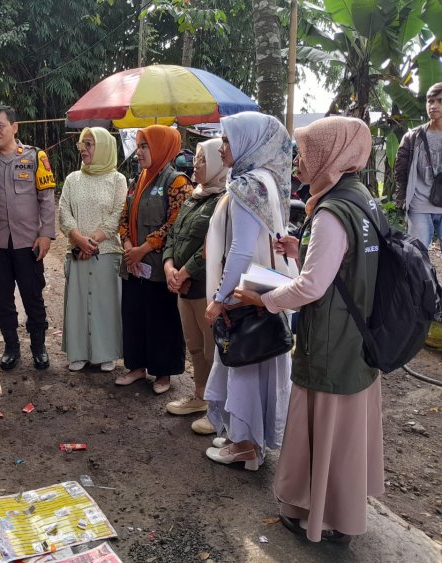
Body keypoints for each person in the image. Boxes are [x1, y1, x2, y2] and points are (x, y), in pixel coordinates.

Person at [235, 116, 383, 543]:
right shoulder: (361, 199)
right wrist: (302, 250)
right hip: (357, 341)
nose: (298, 161)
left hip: (332, 344)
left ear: (329, 154)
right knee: (345, 437)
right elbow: (346, 266)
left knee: (324, 429)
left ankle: (318, 516)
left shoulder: (332, 211)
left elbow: (312, 286)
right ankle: (338, 512)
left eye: (305, 151)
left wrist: (263, 298)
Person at [202, 112, 298, 471]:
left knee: (242, 361)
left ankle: (244, 444)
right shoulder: (263, 179)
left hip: (244, 292)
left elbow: (241, 248)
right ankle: (247, 438)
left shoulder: (245, 186)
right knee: (256, 362)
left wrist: (219, 298)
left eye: (227, 141)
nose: (222, 148)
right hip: (262, 286)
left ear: (247, 143)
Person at [0, 106, 56, 370]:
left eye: (0, 126)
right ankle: (11, 348)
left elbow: (47, 199)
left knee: (33, 296)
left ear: (14, 127)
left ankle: (39, 348)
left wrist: (46, 234)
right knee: (2, 298)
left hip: (28, 242)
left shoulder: (35, 157)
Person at [116, 125, 192, 394]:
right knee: (134, 315)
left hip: (159, 267)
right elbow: (123, 218)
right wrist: (128, 247)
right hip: (133, 265)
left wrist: (143, 249)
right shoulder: (138, 180)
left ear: (161, 147)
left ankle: (163, 373)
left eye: (145, 146)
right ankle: (136, 367)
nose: (139, 153)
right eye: (138, 146)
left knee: (161, 318)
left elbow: (176, 223)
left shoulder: (177, 182)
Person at [163, 138, 227, 432]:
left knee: (213, 347)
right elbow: (174, 234)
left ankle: (218, 409)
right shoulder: (195, 195)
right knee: (194, 346)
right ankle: (200, 395)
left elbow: (213, 245)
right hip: (183, 285)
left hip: (204, 286)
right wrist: (169, 266)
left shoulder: (223, 200)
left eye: (202, 160)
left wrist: (186, 271)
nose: (195, 165)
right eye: (197, 159)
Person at [58, 127, 127, 372]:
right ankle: (78, 353)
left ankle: (105, 353)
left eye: (89, 144)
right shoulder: (72, 179)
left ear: (104, 148)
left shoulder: (118, 180)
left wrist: (93, 241)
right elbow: (64, 211)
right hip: (77, 251)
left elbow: (118, 214)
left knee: (104, 305)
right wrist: (79, 239)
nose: (83, 150)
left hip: (106, 253)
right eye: (81, 145)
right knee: (77, 304)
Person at [395, 82, 442, 248]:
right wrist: (401, 199)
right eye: (430, 101)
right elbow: (400, 171)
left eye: (439, 101)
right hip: (419, 205)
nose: (433, 105)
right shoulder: (413, 137)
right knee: (417, 257)